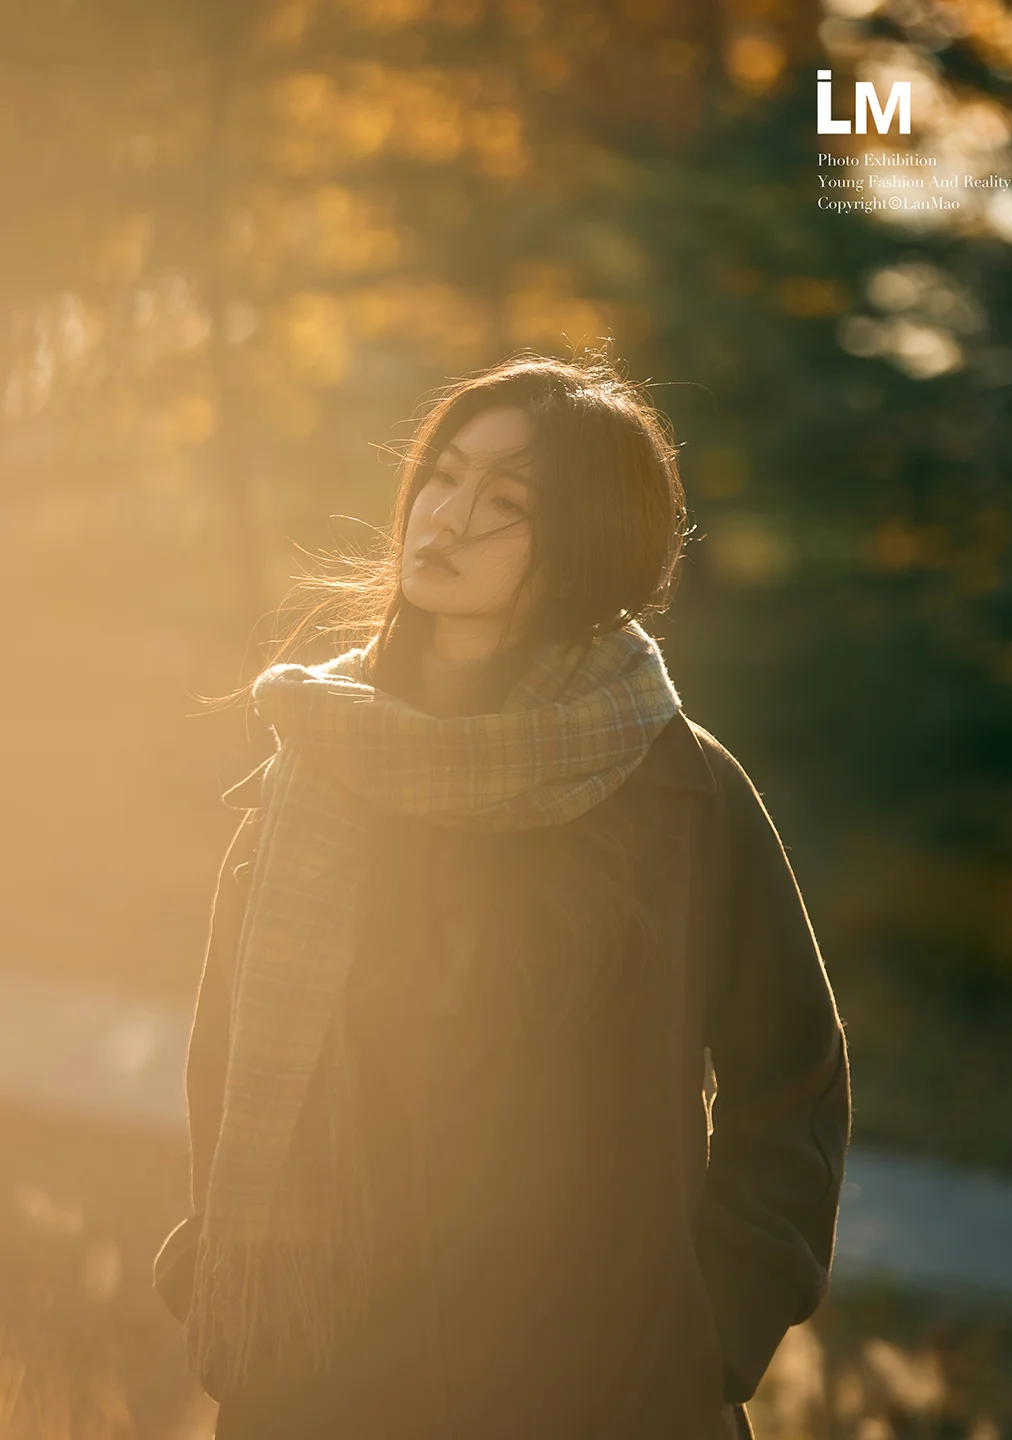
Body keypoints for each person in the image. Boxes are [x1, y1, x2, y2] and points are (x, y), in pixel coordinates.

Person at [153, 351, 851, 1440]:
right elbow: (226, 1057)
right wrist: (225, 1291)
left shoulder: (678, 787)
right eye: (442, 476)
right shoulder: (316, 766)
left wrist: (713, 1327)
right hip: (329, 1380)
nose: (450, 517)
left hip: (603, 1390)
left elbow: (792, 1076)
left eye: (507, 503)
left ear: (584, 548)